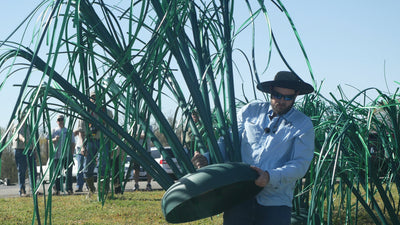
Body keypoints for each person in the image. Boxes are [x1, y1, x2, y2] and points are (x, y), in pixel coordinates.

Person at [221, 71, 315, 225]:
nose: (281, 101)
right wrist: (207, 156)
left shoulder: (303, 124)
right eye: (277, 95)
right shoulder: (250, 111)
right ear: (271, 91)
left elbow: (300, 164)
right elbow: (228, 142)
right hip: (239, 196)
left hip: (275, 203)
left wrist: (269, 177)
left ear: (296, 95)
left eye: (288, 97)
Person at [77, 91, 113, 194]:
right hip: (90, 141)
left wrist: (111, 147)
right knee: (87, 168)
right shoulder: (85, 112)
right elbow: (81, 131)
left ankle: (103, 190)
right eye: (93, 97)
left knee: (103, 166)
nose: (95, 100)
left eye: (98, 97)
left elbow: (111, 131)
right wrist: (82, 146)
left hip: (103, 141)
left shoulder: (107, 112)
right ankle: (91, 189)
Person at [48, 114, 76, 195]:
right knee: (57, 173)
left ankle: (69, 189)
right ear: (57, 122)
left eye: (62, 119)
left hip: (67, 155)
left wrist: (71, 154)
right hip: (57, 156)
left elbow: (73, 143)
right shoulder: (54, 131)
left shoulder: (68, 131)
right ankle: (57, 190)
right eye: (59, 120)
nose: (60, 121)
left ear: (64, 120)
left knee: (68, 173)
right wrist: (54, 139)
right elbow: (48, 141)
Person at [11, 112, 37, 197]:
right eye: (23, 116)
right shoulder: (17, 125)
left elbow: (32, 139)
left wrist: (35, 150)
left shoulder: (29, 126)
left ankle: (34, 190)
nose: (25, 117)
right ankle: (22, 190)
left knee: (33, 170)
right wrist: (23, 139)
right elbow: (17, 134)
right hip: (20, 150)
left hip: (30, 150)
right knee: (22, 170)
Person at [73, 126, 85, 192]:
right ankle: (79, 186)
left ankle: (88, 186)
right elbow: (74, 133)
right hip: (80, 148)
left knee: (87, 167)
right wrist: (77, 131)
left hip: (88, 146)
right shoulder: (81, 123)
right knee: (80, 167)